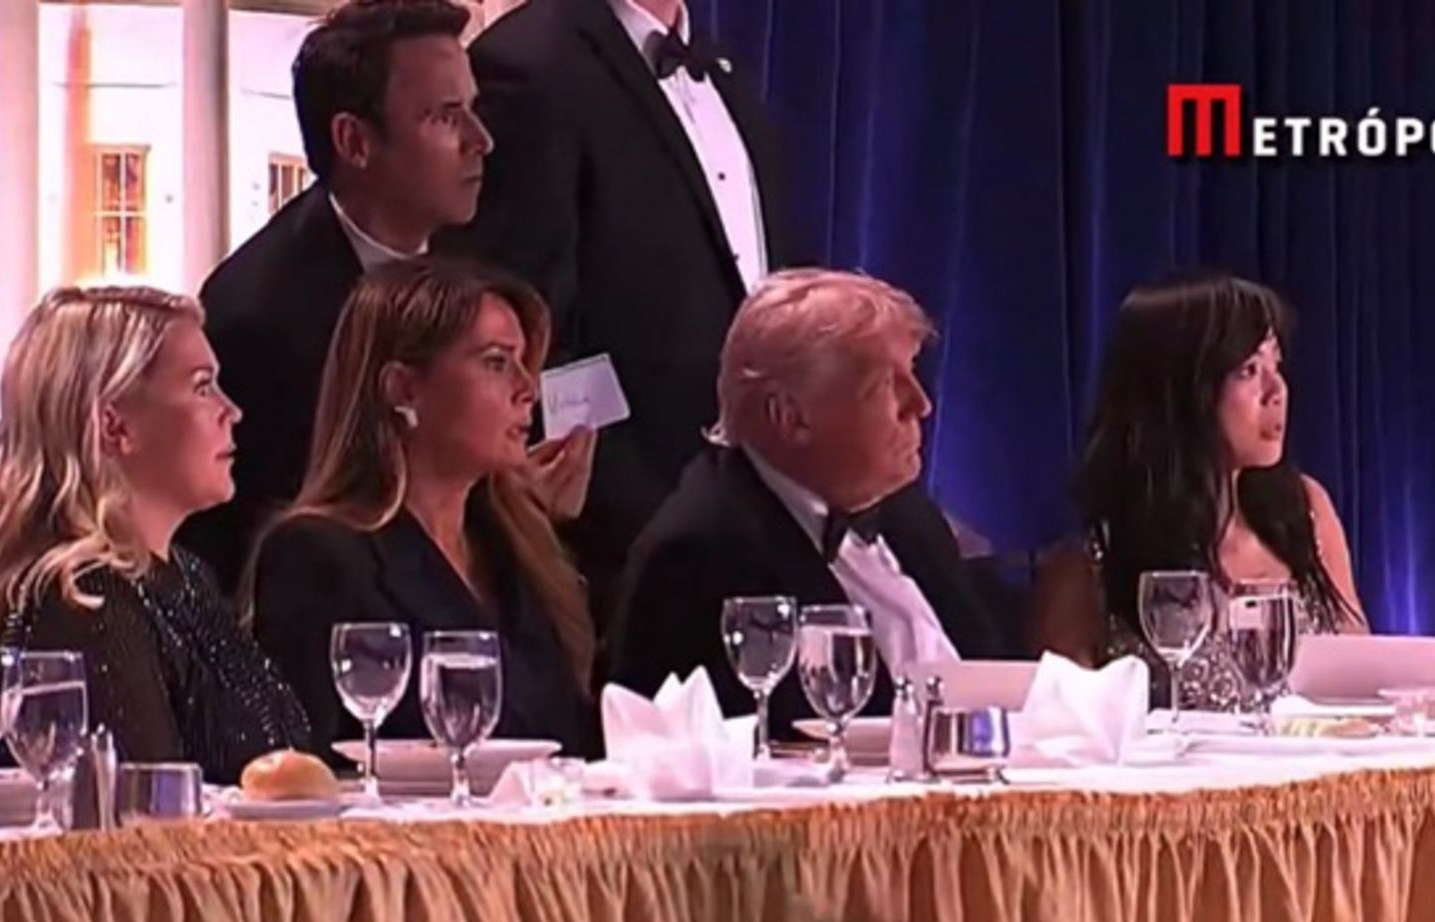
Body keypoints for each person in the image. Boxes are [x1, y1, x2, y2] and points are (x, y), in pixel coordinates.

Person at [177, 0, 576, 595]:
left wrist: (519, 505)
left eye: (473, 110)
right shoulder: (258, 314)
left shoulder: (495, 254)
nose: (482, 141)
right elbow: (269, 556)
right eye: (446, 117)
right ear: (354, 141)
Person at [436, 0, 793, 621]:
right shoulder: (529, 63)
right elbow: (521, 314)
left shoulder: (724, 77)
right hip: (622, 543)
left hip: (749, 519)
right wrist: (614, 493)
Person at [608, 269, 1011, 733]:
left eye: (913, 374)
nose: (920, 405)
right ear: (790, 417)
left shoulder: (911, 518)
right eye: (885, 385)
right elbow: (689, 754)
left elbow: (990, 682)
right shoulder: (699, 553)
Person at [0, 286, 311, 784]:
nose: (232, 411)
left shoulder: (185, 576)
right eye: (202, 387)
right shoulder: (87, 598)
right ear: (113, 425)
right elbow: (140, 817)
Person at [249, 257, 599, 760]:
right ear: (403, 388)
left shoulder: (520, 548)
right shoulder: (318, 554)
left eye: (525, 363)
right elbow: (304, 769)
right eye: (496, 363)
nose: (528, 389)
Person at [1030, 271, 1367, 709]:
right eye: (1249, 370)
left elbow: (1362, 687)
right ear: (1181, 390)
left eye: (1276, 365)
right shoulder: (1091, 565)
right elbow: (1066, 729)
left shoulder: (1306, 512)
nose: (1277, 391)